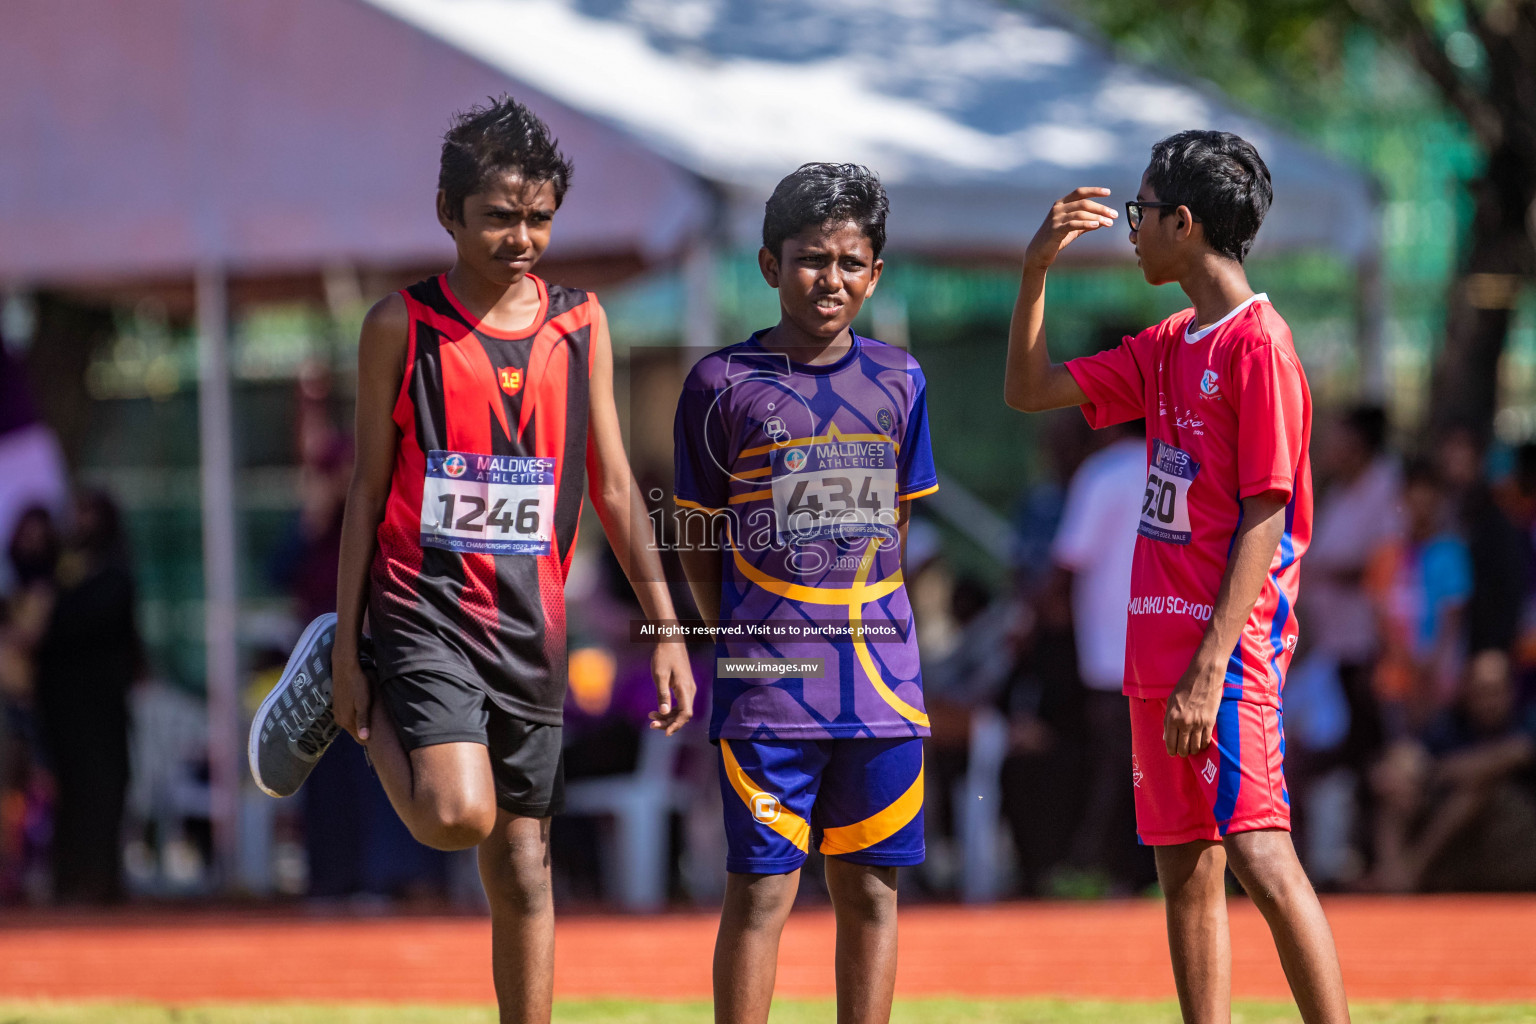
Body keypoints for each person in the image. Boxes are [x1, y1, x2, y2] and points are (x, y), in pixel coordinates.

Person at [249, 95, 695, 1023]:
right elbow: (367, 491)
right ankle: (360, 672)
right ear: (448, 213)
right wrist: (345, 650)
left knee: (524, 864)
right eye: (498, 217)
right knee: (458, 814)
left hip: (530, 624)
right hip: (420, 611)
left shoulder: (580, 325)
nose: (521, 237)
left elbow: (613, 486)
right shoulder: (398, 327)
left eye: (538, 218)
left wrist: (665, 628)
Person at [1001, 131, 1350, 1024]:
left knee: (1262, 856)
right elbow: (1030, 389)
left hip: (1223, 660)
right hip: (1155, 655)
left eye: (1141, 212)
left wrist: (1209, 663)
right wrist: (1035, 270)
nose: (1131, 228)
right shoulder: (1168, 343)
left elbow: (1266, 516)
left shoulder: (1258, 348)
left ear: (1184, 224)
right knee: (1185, 870)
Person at [673, 163, 938, 1024]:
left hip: (882, 691)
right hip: (768, 698)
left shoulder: (901, 380)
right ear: (767, 265)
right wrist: (740, 643)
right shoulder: (719, 386)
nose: (831, 280)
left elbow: (892, 531)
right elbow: (693, 540)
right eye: (811, 259)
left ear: (876, 273)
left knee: (872, 895)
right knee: (759, 898)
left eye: (851, 262)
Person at [1052, 416, 1149, 893]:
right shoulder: (1177, 467)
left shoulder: (1101, 473)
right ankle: (1156, 870)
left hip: (1111, 649)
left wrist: (1031, 622)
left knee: (1114, 765)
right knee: (1158, 764)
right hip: (1170, 643)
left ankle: (1109, 870)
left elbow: (1070, 559)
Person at [35, 491, 143, 904]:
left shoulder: (112, 574)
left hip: (102, 709)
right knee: (70, 797)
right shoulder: (60, 572)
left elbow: (87, 625)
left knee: (104, 793)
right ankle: (70, 880)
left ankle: (101, 881)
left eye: (87, 513)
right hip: (63, 711)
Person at [1368, 649, 1536, 892]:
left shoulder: (1525, 722)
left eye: (1494, 691)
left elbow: (1511, 755)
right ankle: (1392, 880)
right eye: (1480, 692)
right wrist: (1400, 771)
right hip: (1455, 837)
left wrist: (1436, 772)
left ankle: (1411, 872)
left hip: (1516, 842)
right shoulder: (1453, 724)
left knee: (1479, 787)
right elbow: (1411, 757)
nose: (1487, 702)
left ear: (1511, 691)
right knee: (1397, 788)